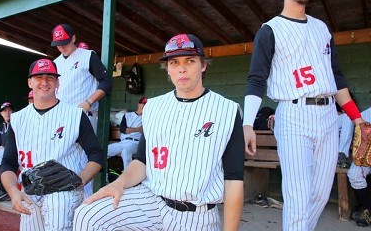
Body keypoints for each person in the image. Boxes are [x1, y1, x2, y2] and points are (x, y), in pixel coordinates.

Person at [73, 33, 245, 231]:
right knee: (87, 214)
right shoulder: (154, 107)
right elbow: (142, 161)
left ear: (203, 65)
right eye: (174, 62)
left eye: (190, 60)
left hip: (197, 215)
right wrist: (119, 183)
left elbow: (233, 180)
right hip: (151, 201)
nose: (182, 68)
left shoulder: (227, 110)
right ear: (168, 69)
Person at [242, 0, 365, 231]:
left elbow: (337, 78)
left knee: (319, 195)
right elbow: (256, 79)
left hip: (329, 115)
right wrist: (248, 123)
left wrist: (357, 120)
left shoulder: (322, 28)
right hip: (294, 113)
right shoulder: (270, 30)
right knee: (298, 196)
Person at [0, 58, 104, 231]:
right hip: (30, 189)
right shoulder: (17, 119)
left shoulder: (75, 115)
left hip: (63, 191)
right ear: (30, 82)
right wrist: (13, 192)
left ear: (57, 82)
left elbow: (96, 154)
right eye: (39, 77)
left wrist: (81, 180)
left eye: (50, 77)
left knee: (58, 213)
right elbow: (8, 163)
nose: (44, 82)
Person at [51, 24, 112, 133]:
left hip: (84, 114)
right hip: (60, 115)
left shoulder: (88, 55)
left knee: (85, 150)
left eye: (64, 43)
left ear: (73, 38)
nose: (61, 47)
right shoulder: (55, 62)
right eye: (58, 44)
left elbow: (106, 82)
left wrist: (89, 102)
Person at [346, 107, 371, 226]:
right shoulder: (367, 113)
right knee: (354, 175)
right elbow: (350, 119)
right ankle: (368, 209)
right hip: (368, 154)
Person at [107, 97, 147, 170]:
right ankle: (105, 176)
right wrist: (137, 129)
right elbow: (123, 130)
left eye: (146, 104)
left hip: (135, 143)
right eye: (143, 104)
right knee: (105, 150)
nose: (144, 106)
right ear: (138, 104)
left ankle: (127, 176)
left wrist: (130, 129)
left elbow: (143, 131)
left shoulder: (147, 117)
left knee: (125, 151)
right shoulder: (127, 115)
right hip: (123, 142)